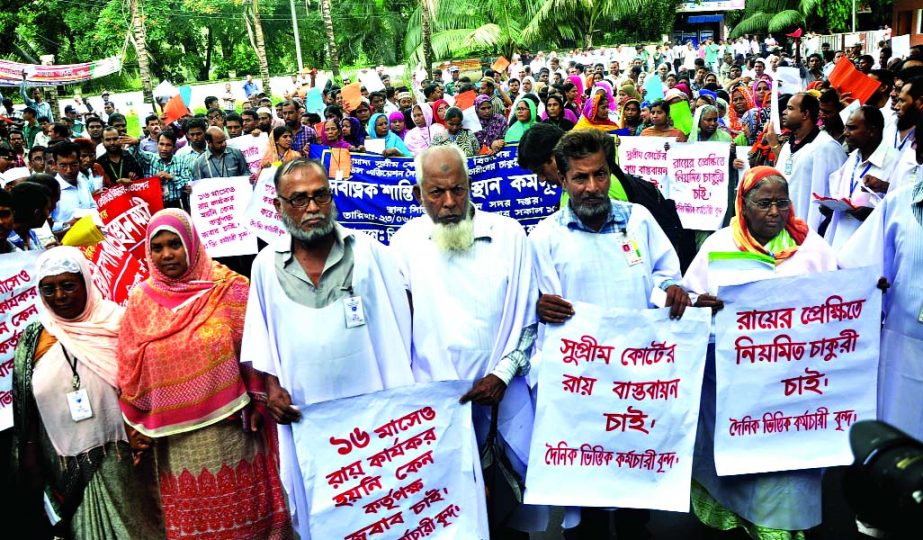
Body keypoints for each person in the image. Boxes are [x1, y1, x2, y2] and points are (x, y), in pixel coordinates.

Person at [240, 159, 415, 539]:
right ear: (279, 207)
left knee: (383, 505)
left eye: (320, 196)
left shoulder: (370, 253)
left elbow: (402, 330)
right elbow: (262, 339)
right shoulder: (265, 267)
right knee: (324, 507)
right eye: (299, 200)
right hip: (308, 418)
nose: (313, 208)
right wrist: (272, 390)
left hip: (376, 414)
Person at [529, 128, 691, 538]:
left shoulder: (638, 220)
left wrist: (671, 291)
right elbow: (536, 309)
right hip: (582, 389)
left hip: (636, 383)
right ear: (562, 179)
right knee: (589, 502)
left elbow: (664, 278)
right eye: (580, 178)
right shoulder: (545, 238)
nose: (592, 187)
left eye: (599, 175)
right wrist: (539, 307)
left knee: (636, 499)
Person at [389, 145, 542, 537]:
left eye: (458, 189)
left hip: (503, 394)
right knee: (448, 514)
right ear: (418, 193)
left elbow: (527, 314)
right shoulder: (405, 245)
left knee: (508, 510)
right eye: (436, 193)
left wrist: (503, 375)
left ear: (469, 185)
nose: (450, 202)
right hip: (437, 403)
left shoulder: (508, 235)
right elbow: (397, 326)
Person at [118, 209, 293, 539]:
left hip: (235, 435)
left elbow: (259, 345)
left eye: (175, 244)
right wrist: (134, 422)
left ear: (192, 244)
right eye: (157, 247)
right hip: (177, 443)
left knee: (249, 521)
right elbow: (129, 365)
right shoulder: (141, 300)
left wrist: (259, 394)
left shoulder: (230, 288)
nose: (167, 254)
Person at [683, 166, 837, 540]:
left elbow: (839, 299)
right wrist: (699, 304)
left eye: (782, 203)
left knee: (783, 472)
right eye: (764, 203)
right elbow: (685, 299)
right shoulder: (718, 246)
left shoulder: (811, 248)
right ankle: (730, 519)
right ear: (743, 205)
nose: (774, 212)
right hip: (732, 391)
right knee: (738, 468)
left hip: (792, 394)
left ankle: (781, 529)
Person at [12, 247, 166, 539]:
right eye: (49, 289)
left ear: (86, 282)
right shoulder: (33, 338)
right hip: (65, 463)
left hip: (125, 457)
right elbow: (25, 408)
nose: (60, 296)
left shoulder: (117, 324)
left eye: (68, 285)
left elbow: (149, 383)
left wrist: (142, 426)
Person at [765, 92, 848, 230]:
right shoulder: (787, 146)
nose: (784, 112)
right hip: (784, 226)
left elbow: (837, 192)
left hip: (812, 229)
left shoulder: (827, 146)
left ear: (805, 114)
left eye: (790, 108)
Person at [50, 142, 95, 232]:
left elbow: (92, 207)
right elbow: (44, 227)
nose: (69, 170)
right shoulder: (50, 190)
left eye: (74, 165)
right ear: (55, 165)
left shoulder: (82, 181)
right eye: (63, 166)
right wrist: (68, 224)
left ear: (80, 162)